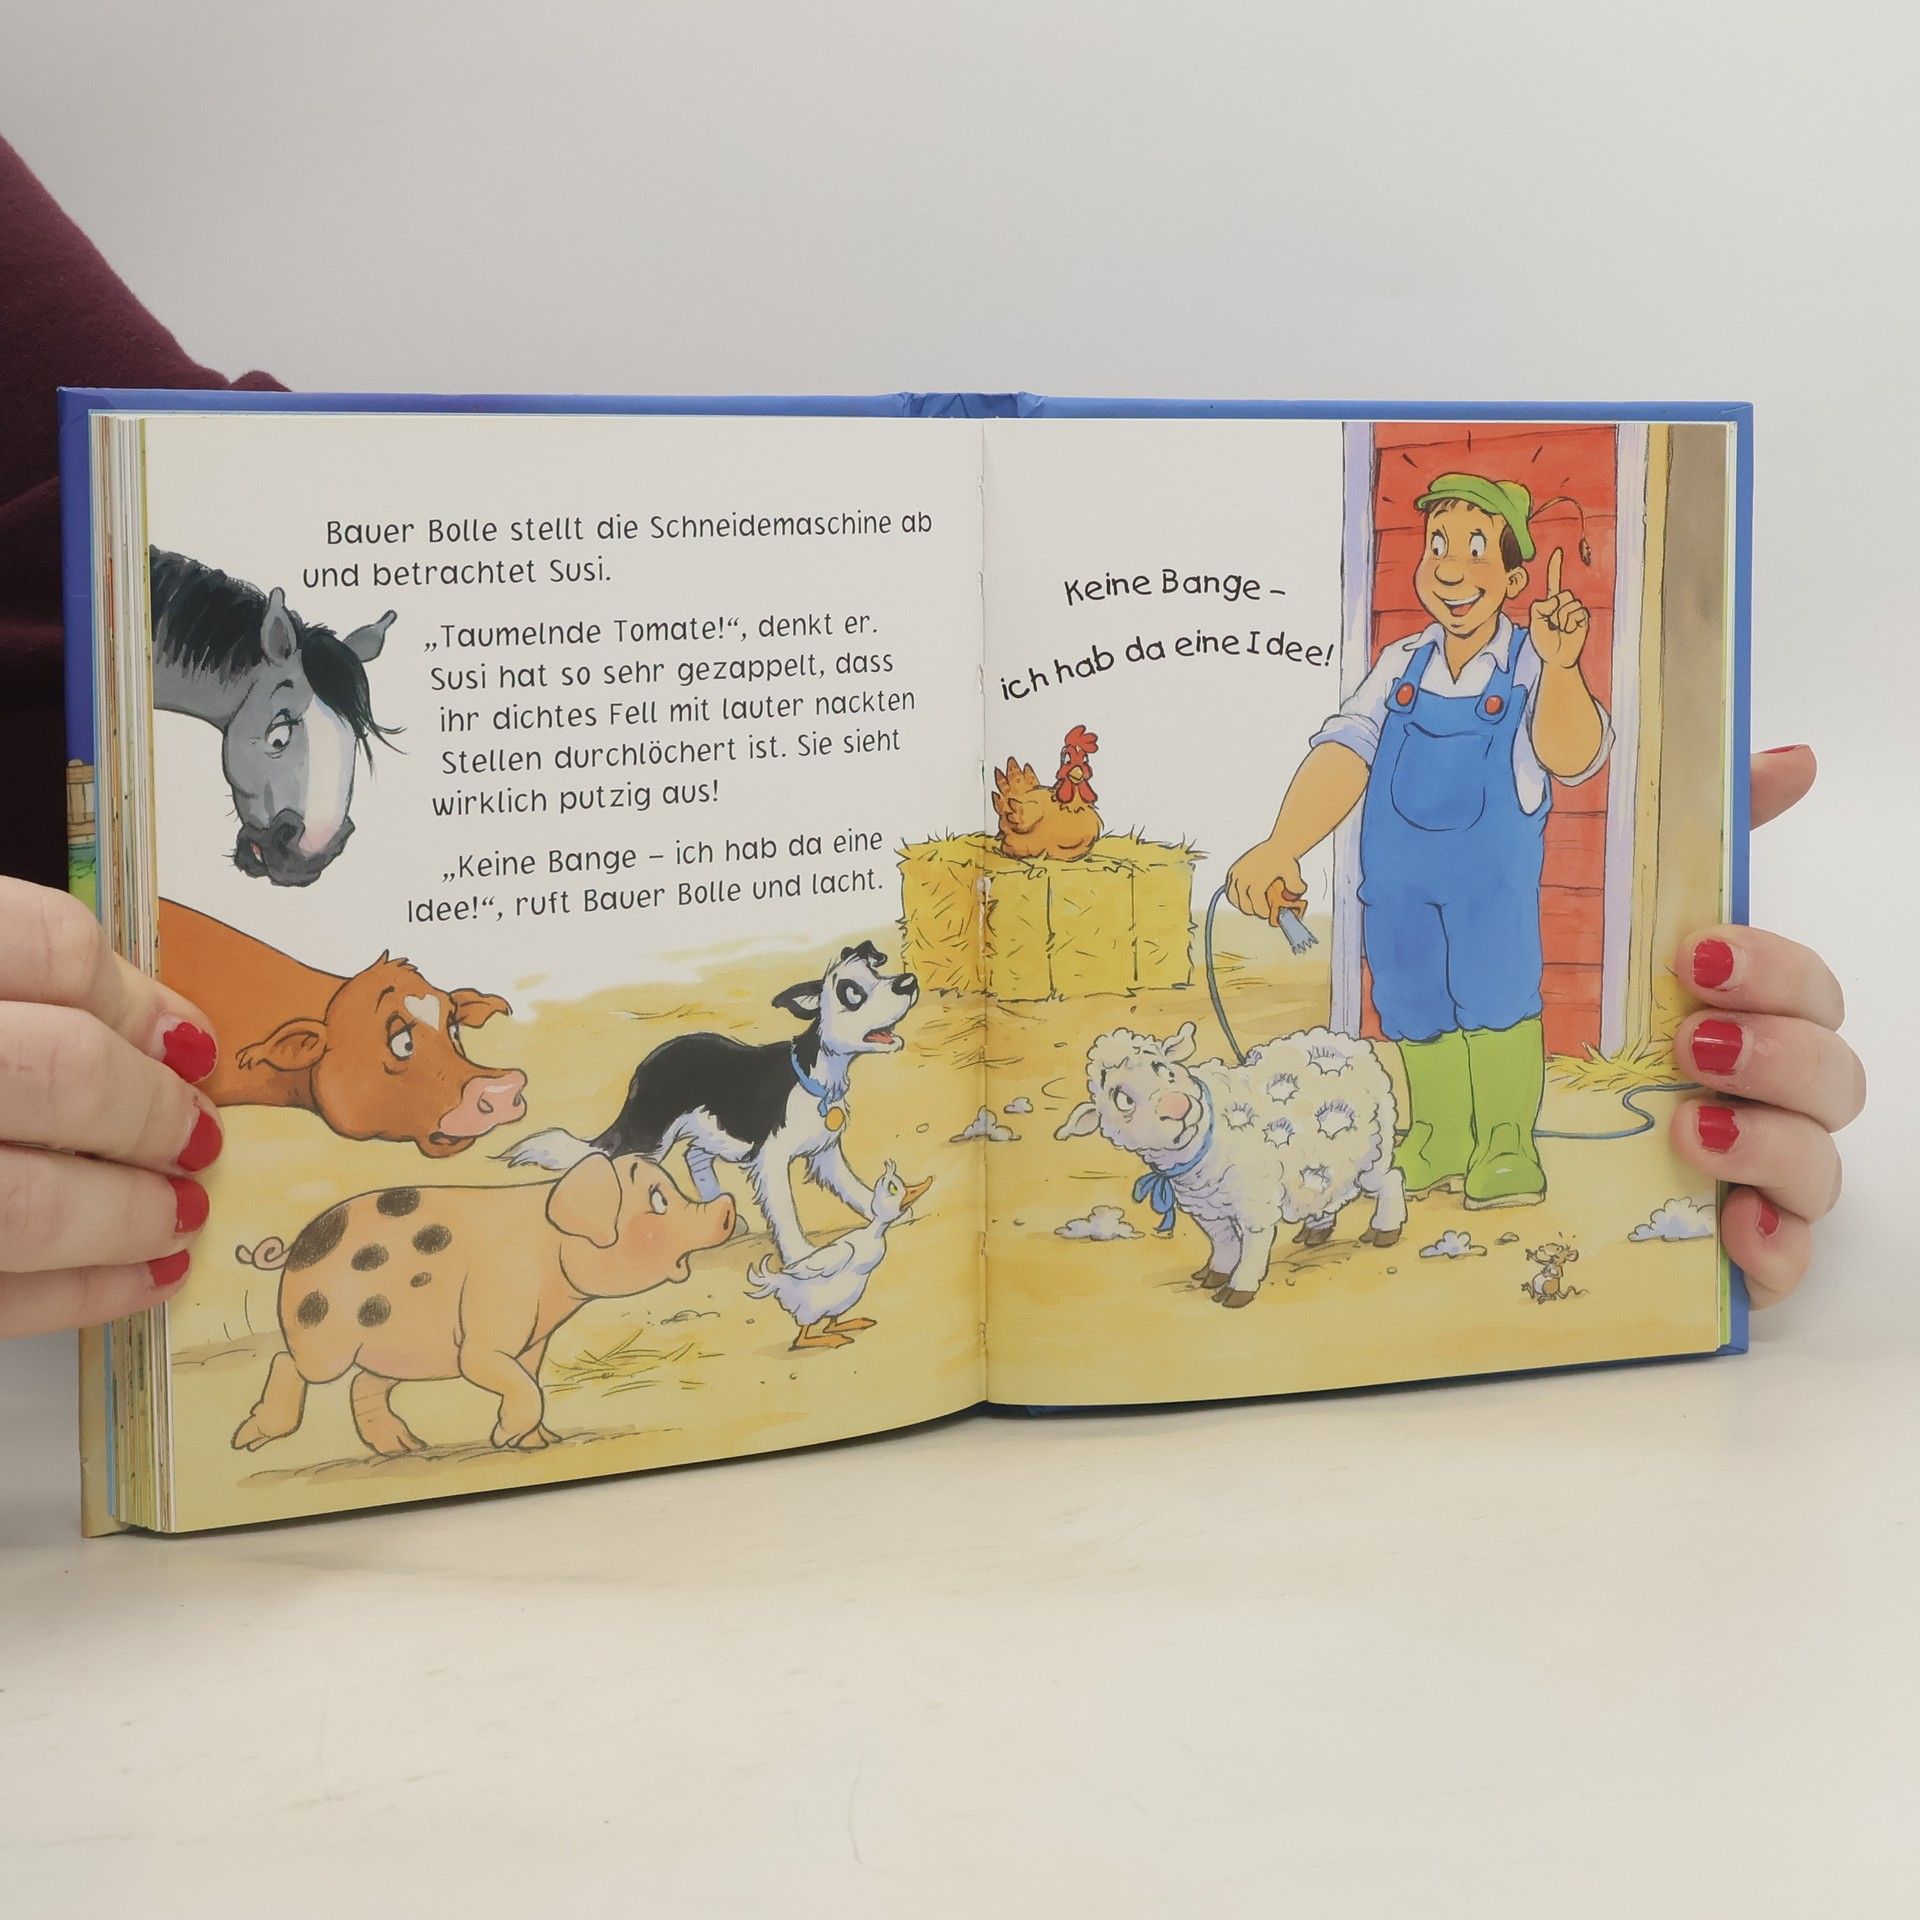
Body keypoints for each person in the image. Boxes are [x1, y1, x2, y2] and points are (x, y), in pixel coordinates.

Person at [0, 136, 1864, 1339]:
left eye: (1477, 549)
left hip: (1487, 914)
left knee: (1486, 1047)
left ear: (1515, 568)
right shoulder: (1389, 677)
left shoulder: (1526, 665)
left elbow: (130, 546)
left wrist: (1654, 863)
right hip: (1393, 896)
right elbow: (1338, 758)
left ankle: (1482, 1173)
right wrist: (1283, 847)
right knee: (1422, 1014)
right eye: (1435, 543)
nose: (1450, 566)